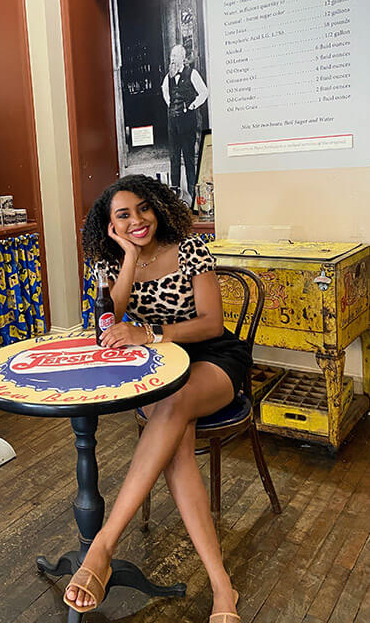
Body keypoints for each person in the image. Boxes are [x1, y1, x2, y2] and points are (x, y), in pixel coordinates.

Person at [71, 174, 247, 622]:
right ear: (110, 225)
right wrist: (130, 258)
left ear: (158, 207)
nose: (137, 220)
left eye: (143, 208)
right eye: (123, 215)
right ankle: (222, 587)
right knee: (177, 449)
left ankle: (102, 547)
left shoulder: (189, 248)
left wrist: (149, 333)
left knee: (172, 406)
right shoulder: (111, 262)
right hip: (155, 369)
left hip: (211, 358)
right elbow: (109, 320)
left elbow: (211, 323)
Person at [161, 44, 208, 203]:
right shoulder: (168, 77)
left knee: (188, 158)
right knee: (174, 158)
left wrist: (193, 105)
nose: (172, 59)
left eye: (175, 56)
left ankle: (193, 195)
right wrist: (171, 104)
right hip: (173, 123)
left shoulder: (192, 73)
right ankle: (175, 195)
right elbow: (165, 91)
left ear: (182, 57)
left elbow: (204, 92)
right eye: (171, 56)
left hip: (187, 122)